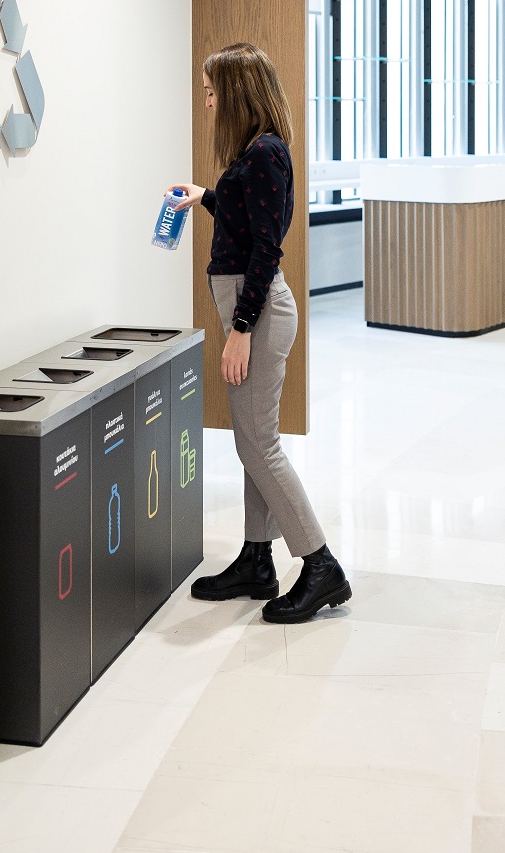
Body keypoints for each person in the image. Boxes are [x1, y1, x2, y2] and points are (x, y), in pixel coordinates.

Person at [170, 42, 351, 625]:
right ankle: (256, 559)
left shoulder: (267, 152)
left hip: (259, 311)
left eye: (211, 92)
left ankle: (321, 564)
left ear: (236, 94)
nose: (207, 102)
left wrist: (241, 328)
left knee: (259, 444)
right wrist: (206, 197)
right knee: (253, 439)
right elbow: (246, 218)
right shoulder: (256, 153)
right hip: (251, 310)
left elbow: (267, 248)